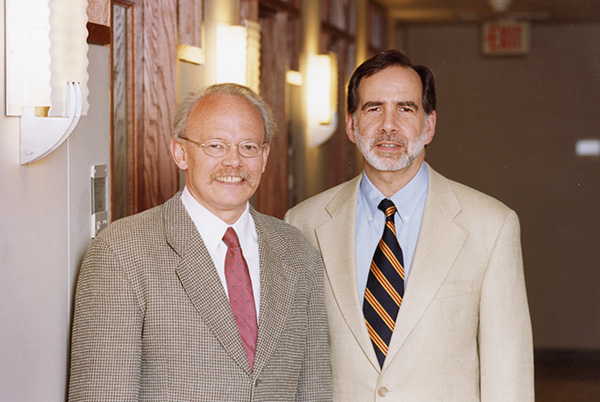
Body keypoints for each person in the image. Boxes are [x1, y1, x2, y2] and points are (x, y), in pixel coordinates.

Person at [284, 49, 534, 401]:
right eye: (374, 108)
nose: (389, 125)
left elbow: (509, 376)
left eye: (405, 108)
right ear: (352, 126)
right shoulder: (303, 223)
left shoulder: (491, 226)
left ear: (429, 125)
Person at [69, 83, 332, 402]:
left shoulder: (298, 251)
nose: (234, 162)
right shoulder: (120, 252)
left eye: (248, 147)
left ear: (264, 157)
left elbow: (314, 389)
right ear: (180, 152)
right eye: (216, 146)